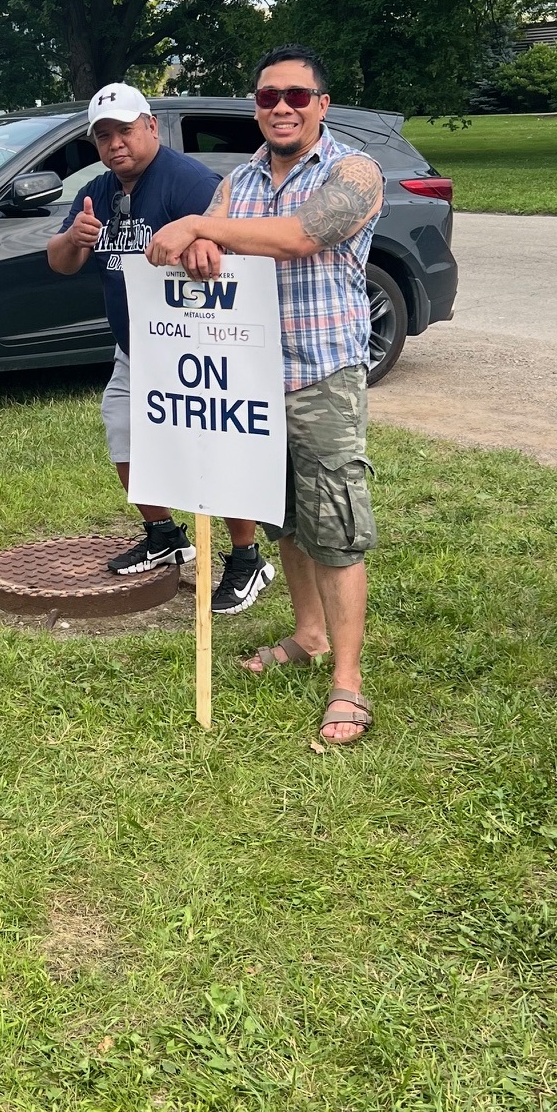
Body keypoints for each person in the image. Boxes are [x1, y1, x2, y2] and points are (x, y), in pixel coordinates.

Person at [146, 46, 383, 744]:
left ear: (321, 106)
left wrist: (201, 227)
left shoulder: (354, 172)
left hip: (321, 376)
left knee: (335, 526)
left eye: (297, 96)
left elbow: (304, 235)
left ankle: (348, 682)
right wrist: (198, 246)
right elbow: (208, 247)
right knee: (284, 519)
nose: (281, 107)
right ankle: (308, 635)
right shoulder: (238, 181)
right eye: (268, 96)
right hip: (246, 383)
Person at [47, 83, 273, 609]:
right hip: (138, 349)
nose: (115, 144)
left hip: (201, 346)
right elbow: (60, 262)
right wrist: (72, 239)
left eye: (124, 130)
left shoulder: (188, 182)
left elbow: (235, 244)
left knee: (214, 445)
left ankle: (246, 556)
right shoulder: (99, 191)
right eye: (103, 136)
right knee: (123, 429)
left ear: (150, 126)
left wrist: (204, 241)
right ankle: (165, 536)